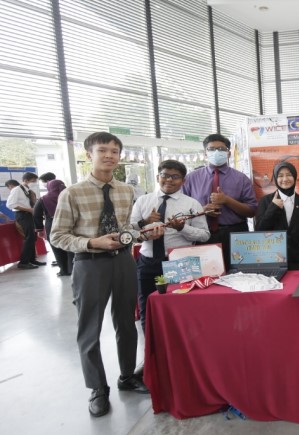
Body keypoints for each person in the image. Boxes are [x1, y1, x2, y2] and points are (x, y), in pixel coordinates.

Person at [51, 132, 157, 417]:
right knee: (90, 328)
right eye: (102, 150)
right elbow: (58, 236)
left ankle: (127, 376)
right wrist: (91, 242)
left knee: (126, 322)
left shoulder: (126, 191)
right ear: (89, 155)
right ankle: (98, 387)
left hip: (123, 261)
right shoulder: (72, 193)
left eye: (114, 151)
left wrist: (142, 233)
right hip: (90, 264)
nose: (109, 155)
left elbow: (126, 229)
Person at [131, 160, 209, 333]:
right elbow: (130, 232)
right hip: (147, 262)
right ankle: (150, 345)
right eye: (165, 175)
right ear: (157, 177)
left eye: (175, 177)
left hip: (180, 263)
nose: (169, 180)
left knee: (182, 308)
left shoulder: (192, 204)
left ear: (183, 181)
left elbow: (204, 235)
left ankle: (180, 345)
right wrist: (144, 229)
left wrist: (182, 228)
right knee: (147, 307)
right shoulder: (143, 201)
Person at [183, 133, 257, 269]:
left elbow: (252, 211)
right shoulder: (191, 179)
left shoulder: (241, 179)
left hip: (235, 234)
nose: (216, 152)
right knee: (205, 274)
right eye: (211, 149)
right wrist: (202, 210)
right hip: (202, 233)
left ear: (229, 153)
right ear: (205, 153)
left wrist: (227, 200)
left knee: (239, 274)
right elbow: (181, 211)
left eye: (221, 149)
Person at [255, 161, 299, 270]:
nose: (285, 179)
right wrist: (273, 207)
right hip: (273, 259)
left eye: (289, 175)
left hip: (298, 260)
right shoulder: (265, 201)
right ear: (276, 179)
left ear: (295, 177)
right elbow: (259, 230)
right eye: (280, 176)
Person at [33, 179, 74, 276]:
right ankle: (73, 269)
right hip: (70, 223)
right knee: (71, 246)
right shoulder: (70, 196)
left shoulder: (43, 199)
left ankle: (63, 270)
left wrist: (39, 229)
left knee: (56, 247)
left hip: (52, 224)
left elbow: (36, 214)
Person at [5, 173, 45, 270]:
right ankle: (24, 262)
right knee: (29, 237)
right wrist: (28, 209)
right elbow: (10, 204)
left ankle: (32, 259)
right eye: (33, 181)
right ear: (26, 180)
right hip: (22, 215)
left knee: (33, 237)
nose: (34, 183)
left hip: (30, 214)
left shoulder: (28, 191)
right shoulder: (17, 189)